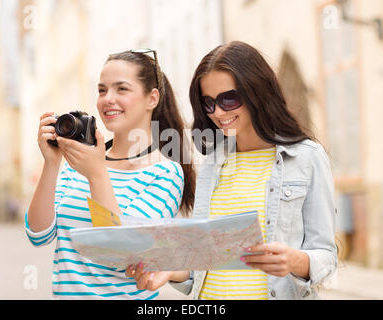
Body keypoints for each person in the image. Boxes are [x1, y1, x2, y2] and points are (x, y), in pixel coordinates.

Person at [128, 41, 337, 300]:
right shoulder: (212, 165)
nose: (217, 112)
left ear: (256, 93)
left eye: (229, 99)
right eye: (208, 102)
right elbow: (203, 262)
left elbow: (327, 258)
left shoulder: (306, 157)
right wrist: (169, 271)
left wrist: (296, 261)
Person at [25, 49, 196, 300]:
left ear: (152, 98)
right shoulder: (80, 163)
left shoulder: (164, 172)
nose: (108, 99)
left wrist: (97, 175)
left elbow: (124, 255)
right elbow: (38, 235)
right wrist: (51, 164)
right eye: (102, 90)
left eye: (122, 89)